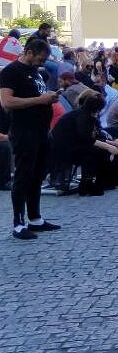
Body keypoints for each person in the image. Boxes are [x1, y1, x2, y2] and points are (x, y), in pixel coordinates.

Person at [0, 38, 62, 239]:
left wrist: (49, 97)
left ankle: (35, 218)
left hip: (41, 131)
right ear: (28, 52)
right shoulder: (11, 72)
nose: (42, 63)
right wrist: (40, 100)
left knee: (37, 175)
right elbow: (7, 102)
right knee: (23, 176)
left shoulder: (36, 72)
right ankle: (18, 223)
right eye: (40, 59)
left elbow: (38, 95)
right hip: (24, 131)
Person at [50, 90, 118, 196]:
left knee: (102, 150)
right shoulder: (83, 117)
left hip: (74, 145)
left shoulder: (86, 115)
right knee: (94, 152)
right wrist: (108, 146)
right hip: (65, 150)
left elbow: (95, 136)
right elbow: (87, 138)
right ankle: (87, 184)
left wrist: (113, 143)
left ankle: (105, 180)